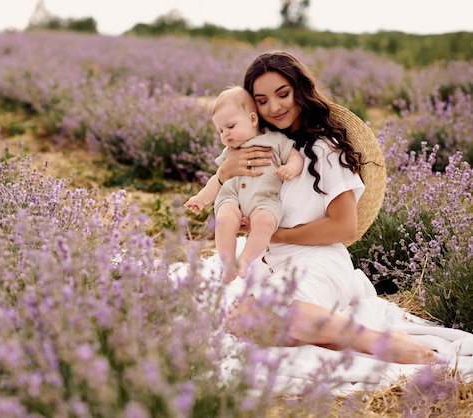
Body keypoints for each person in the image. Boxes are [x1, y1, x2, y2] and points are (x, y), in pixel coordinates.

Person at [215, 51, 436, 364]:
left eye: (283, 94)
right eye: (261, 100)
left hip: (317, 260)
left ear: (300, 91)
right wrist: (225, 174)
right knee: (240, 323)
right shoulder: (265, 146)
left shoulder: (325, 149)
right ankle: (334, 339)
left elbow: (344, 227)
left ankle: (377, 342)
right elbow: (229, 201)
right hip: (271, 263)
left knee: (272, 311)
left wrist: (274, 235)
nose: (274, 107)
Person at [184, 86, 303, 282]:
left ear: (253, 119)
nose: (225, 135)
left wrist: (290, 168)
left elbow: (295, 156)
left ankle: (246, 260)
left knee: (265, 222)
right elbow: (218, 178)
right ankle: (228, 263)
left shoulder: (275, 140)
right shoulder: (228, 153)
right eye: (221, 130)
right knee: (223, 222)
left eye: (230, 127)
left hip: (263, 199)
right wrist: (201, 198)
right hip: (232, 198)